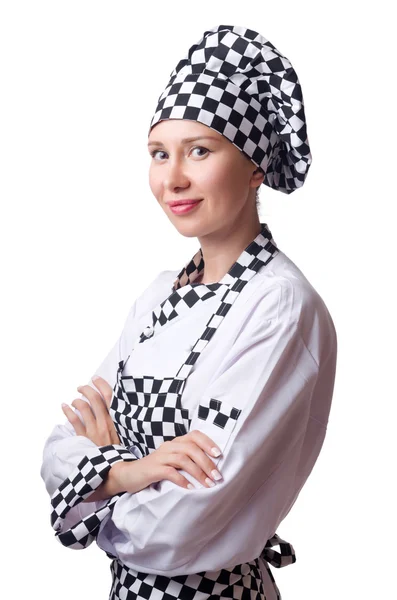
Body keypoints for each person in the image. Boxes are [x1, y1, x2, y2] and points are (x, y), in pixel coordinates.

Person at [40, 24, 337, 600]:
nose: (172, 178)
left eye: (200, 150)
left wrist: (101, 476)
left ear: (255, 165)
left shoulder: (278, 307)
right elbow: (58, 446)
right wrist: (132, 471)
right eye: (159, 154)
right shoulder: (156, 296)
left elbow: (183, 526)